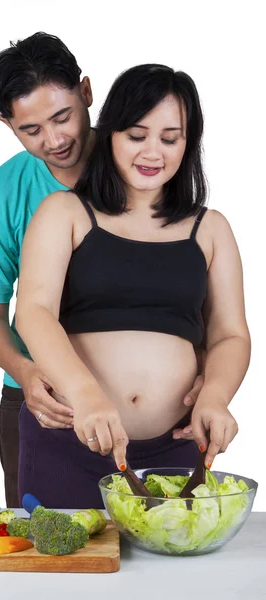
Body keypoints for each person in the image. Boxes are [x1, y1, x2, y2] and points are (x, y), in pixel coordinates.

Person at [0, 33, 203, 507]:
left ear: (87, 93)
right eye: (30, 130)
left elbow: (189, 289)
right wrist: (27, 373)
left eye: (62, 116)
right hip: (46, 403)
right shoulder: (0, 196)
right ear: (6, 124)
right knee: (50, 553)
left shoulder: (143, 162)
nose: (55, 140)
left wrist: (207, 375)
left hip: (163, 426)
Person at [15, 64, 251, 509]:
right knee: (66, 573)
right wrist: (86, 395)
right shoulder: (64, 212)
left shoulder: (211, 229)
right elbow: (33, 313)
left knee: (173, 575)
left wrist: (216, 397)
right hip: (72, 438)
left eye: (170, 137)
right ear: (110, 135)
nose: (152, 151)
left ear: (188, 143)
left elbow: (231, 334)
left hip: (174, 450)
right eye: (136, 135)